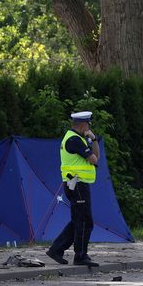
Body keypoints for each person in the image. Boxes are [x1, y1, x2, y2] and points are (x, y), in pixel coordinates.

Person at [46, 110, 100, 267]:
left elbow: (96, 159)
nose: (89, 127)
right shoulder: (75, 140)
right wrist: (92, 141)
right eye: (89, 125)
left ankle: (56, 250)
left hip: (77, 184)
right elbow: (94, 159)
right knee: (84, 221)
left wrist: (94, 139)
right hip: (76, 184)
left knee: (79, 220)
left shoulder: (78, 139)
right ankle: (80, 256)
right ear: (84, 125)